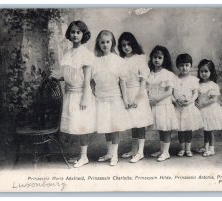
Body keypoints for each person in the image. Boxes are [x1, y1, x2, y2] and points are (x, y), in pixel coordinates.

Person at [50, 20, 96, 168]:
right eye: (73, 32)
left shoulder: (86, 54)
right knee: (75, 125)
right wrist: (59, 77)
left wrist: (84, 98)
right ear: (69, 34)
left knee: (82, 126)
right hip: (70, 94)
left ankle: (84, 156)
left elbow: (86, 79)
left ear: (83, 34)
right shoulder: (68, 53)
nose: (75, 35)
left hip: (82, 94)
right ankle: (80, 154)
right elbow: (71, 74)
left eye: (78, 32)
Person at [92, 30, 132, 166]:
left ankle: (114, 154)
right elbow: (92, 81)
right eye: (102, 42)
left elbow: (122, 82)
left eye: (108, 42)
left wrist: (125, 99)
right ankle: (109, 152)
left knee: (114, 126)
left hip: (114, 97)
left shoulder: (118, 61)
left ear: (112, 43)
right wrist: (93, 94)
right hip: (101, 97)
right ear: (98, 43)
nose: (105, 44)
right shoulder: (95, 61)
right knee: (105, 126)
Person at [117, 32, 153, 163]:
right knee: (133, 122)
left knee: (140, 123)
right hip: (128, 93)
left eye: (129, 44)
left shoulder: (140, 58)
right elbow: (122, 81)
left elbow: (143, 80)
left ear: (134, 44)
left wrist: (138, 98)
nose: (126, 47)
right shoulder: (121, 61)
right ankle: (133, 149)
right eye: (123, 45)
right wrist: (125, 99)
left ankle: (140, 152)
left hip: (139, 92)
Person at [147, 45, 178, 162]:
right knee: (160, 128)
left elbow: (169, 92)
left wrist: (156, 99)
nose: (157, 60)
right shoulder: (150, 74)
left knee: (165, 129)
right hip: (155, 105)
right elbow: (148, 89)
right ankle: (162, 150)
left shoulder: (167, 74)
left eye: (160, 57)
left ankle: (166, 152)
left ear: (164, 59)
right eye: (155, 57)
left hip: (164, 105)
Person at [197, 59, 222, 157]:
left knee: (210, 130)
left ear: (211, 72)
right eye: (201, 71)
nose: (203, 73)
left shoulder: (213, 85)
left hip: (210, 109)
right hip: (202, 109)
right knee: (205, 130)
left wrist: (203, 104)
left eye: (206, 71)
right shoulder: (198, 84)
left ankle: (211, 149)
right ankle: (205, 147)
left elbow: (214, 99)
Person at [173, 53, 203, 157]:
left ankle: (188, 149)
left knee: (188, 128)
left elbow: (195, 93)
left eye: (186, 65)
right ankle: (182, 149)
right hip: (178, 107)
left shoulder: (193, 80)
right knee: (180, 129)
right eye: (181, 65)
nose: (184, 68)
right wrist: (176, 100)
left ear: (190, 66)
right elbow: (171, 93)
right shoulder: (174, 79)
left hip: (189, 107)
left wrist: (191, 101)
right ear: (177, 66)